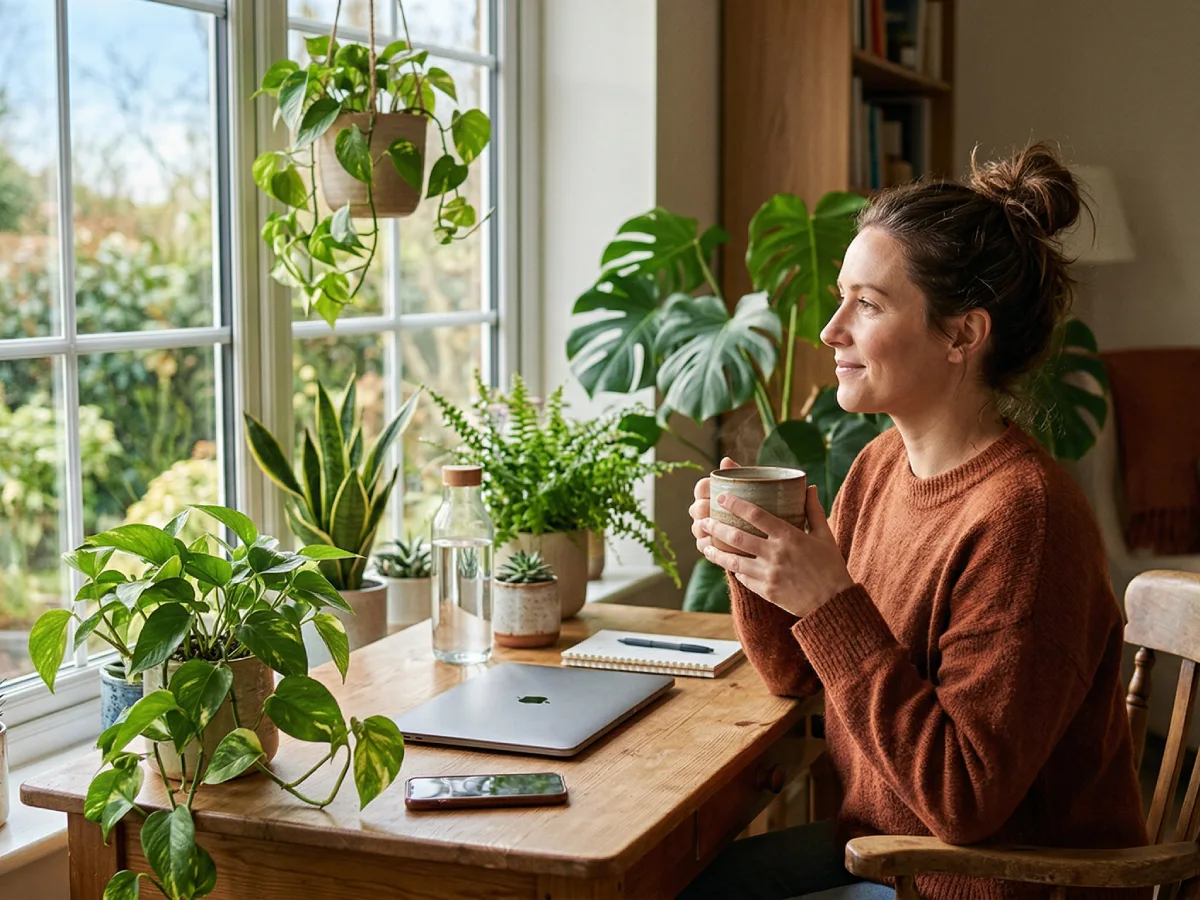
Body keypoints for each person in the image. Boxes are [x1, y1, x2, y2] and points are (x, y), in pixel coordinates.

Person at [680, 143, 1148, 900]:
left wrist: (829, 600)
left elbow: (964, 800)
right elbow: (796, 674)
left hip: (983, 883)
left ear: (962, 335)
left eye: (867, 305)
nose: (831, 330)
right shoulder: (880, 466)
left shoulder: (1025, 521)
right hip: (881, 854)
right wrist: (756, 561)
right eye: (841, 298)